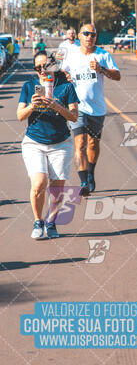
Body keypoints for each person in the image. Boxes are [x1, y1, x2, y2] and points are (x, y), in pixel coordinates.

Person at [17, 52, 79, 239]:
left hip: (61, 143)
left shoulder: (66, 87)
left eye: (46, 66)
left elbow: (74, 116)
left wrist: (56, 106)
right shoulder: (29, 87)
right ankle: (38, 221)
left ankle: (51, 222)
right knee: (39, 183)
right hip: (34, 142)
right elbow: (20, 116)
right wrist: (31, 107)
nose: (43, 70)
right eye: (38, 67)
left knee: (57, 187)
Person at [61, 23, 121, 196]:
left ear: (96, 37)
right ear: (79, 36)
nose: (89, 37)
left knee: (93, 143)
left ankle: (91, 173)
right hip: (77, 107)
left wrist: (102, 69)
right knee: (80, 143)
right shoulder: (71, 55)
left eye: (93, 34)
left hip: (98, 108)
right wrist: (65, 77)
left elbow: (117, 76)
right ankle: (83, 182)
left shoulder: (103, 55)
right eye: (86, 33)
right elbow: (61, 74)